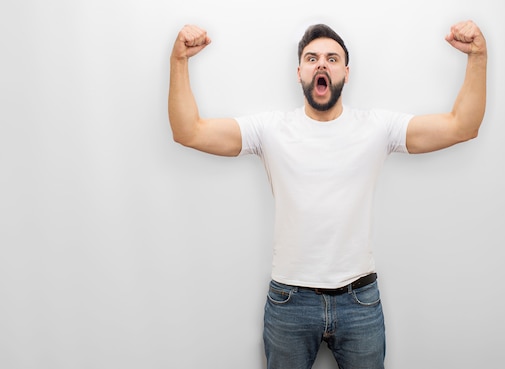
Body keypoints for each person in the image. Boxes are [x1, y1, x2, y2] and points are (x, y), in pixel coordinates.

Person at [168, 20, 487, 369]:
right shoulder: (270, 130)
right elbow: (189, 131)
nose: (322, 64)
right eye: (312, 58)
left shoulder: (377, 128)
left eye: (332, 59)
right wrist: (179, 61)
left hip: (360, 301)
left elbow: (462, 125)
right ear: (299, 72)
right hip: (289, 301)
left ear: (346, 73)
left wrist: (478, 56)